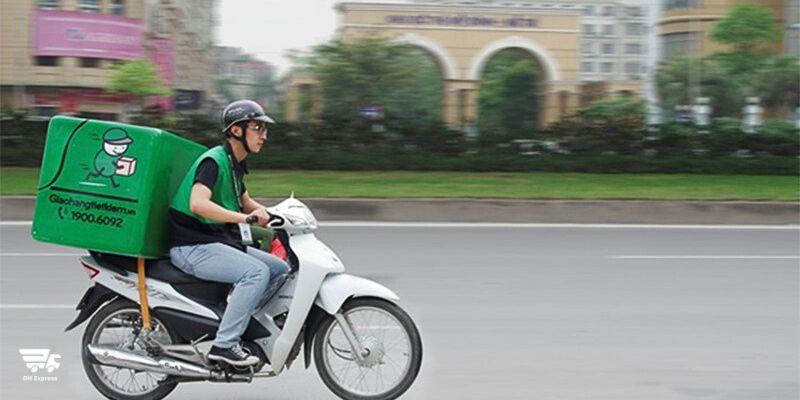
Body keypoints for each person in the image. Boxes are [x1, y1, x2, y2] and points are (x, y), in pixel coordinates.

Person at [168, 100, 289, 367]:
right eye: (257, 128)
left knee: (279, 268)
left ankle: (242, 324)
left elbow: (247, 202)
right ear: (236, 131)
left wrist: (282, 216)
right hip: (191, 245)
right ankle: (224, 345)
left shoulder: (235, 166)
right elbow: (198, 203)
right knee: (256, 273)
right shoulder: (214, 161)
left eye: (264, 129)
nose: (264, 135)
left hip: (214, 241)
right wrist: (244, 219)